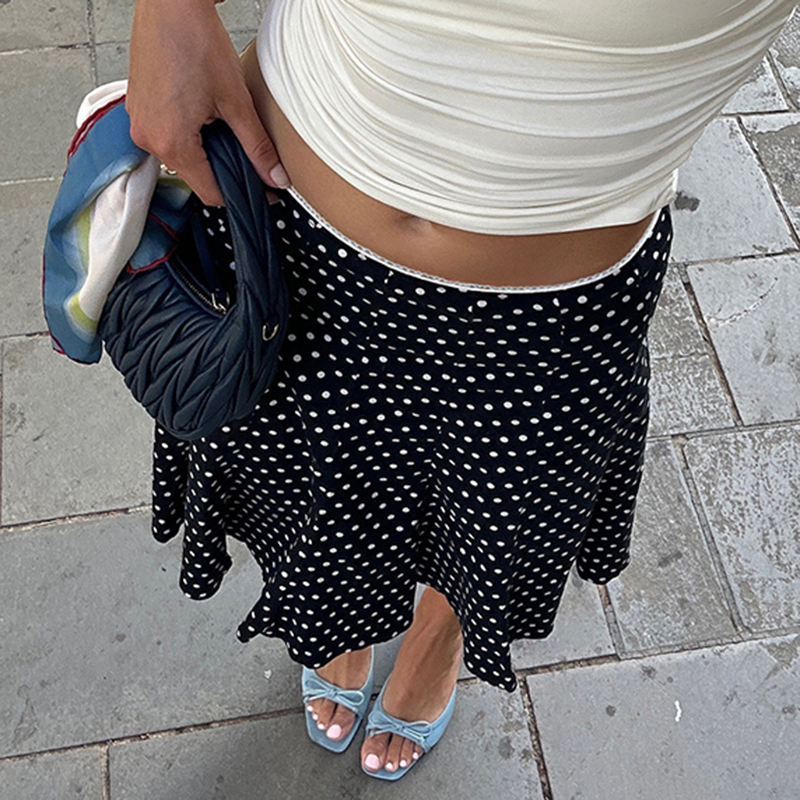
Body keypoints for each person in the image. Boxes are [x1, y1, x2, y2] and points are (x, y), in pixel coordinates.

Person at [129, 0, 799, 781]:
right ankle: (343, 623)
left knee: (492, 510)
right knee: (319, 489)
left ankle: (435, 642)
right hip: (296, 225)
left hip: (556, 302)